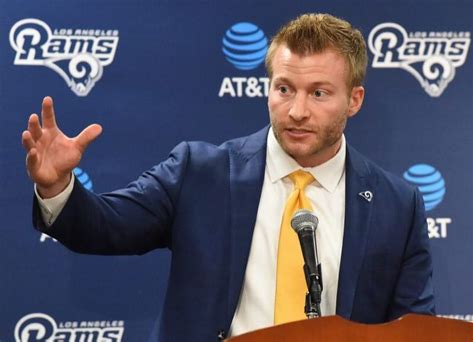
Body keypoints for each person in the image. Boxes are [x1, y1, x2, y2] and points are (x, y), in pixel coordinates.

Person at [22, 13, 435, 341]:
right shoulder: (201, 173)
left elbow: (416, 331)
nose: (296, 111)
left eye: (319, 93)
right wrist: (57, 186)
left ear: (354, 100)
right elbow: (105, 227)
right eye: (285, 88)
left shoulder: (396, 205)